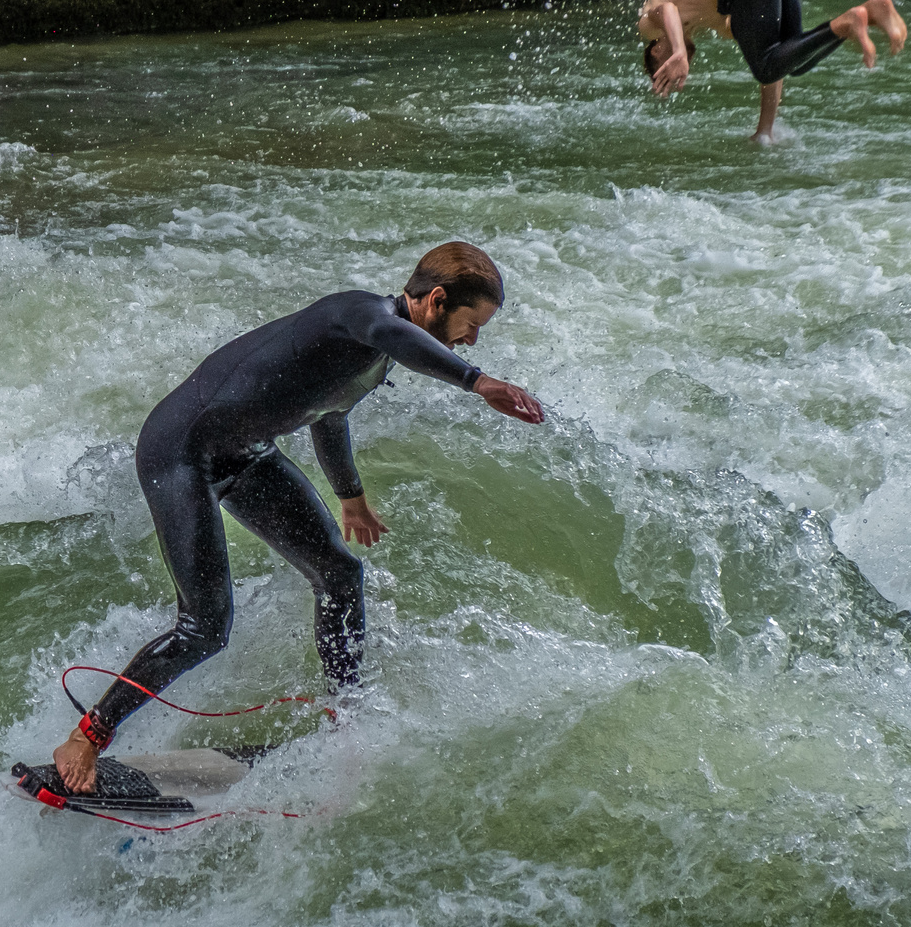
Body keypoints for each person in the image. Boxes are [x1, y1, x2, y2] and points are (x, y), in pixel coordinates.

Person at [53, 242, 545, 792]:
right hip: (181, 452)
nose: (471, 339)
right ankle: (88, 736)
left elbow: (330, 414)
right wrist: (478, 381)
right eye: (471, 324)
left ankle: (346, 720)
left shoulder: (374, 354)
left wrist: (351, 496)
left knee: (339, 573)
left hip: (246, 453)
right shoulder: (362, 315)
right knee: (205, 627)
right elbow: (393, 337)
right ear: (435, 300)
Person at [638, 0, 907, 143]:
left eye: (666, 72)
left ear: (655, 52)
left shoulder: (649, 27)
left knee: (769, 65)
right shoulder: (708, 19)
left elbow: (668, 11)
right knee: (793, 61)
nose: (679, 72)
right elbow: (777, 58)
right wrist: (765, 130)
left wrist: (679, 52)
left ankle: (849, 21)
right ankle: (868, 14)